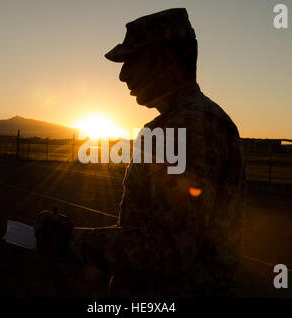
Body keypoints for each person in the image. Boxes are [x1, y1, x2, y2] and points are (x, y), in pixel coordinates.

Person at [35, 8, 246, 297]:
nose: (123, 75)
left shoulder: (184, 125)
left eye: (133, 60)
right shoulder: (198, 119)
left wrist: (69, 241)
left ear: (168, 58)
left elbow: (168, 249)